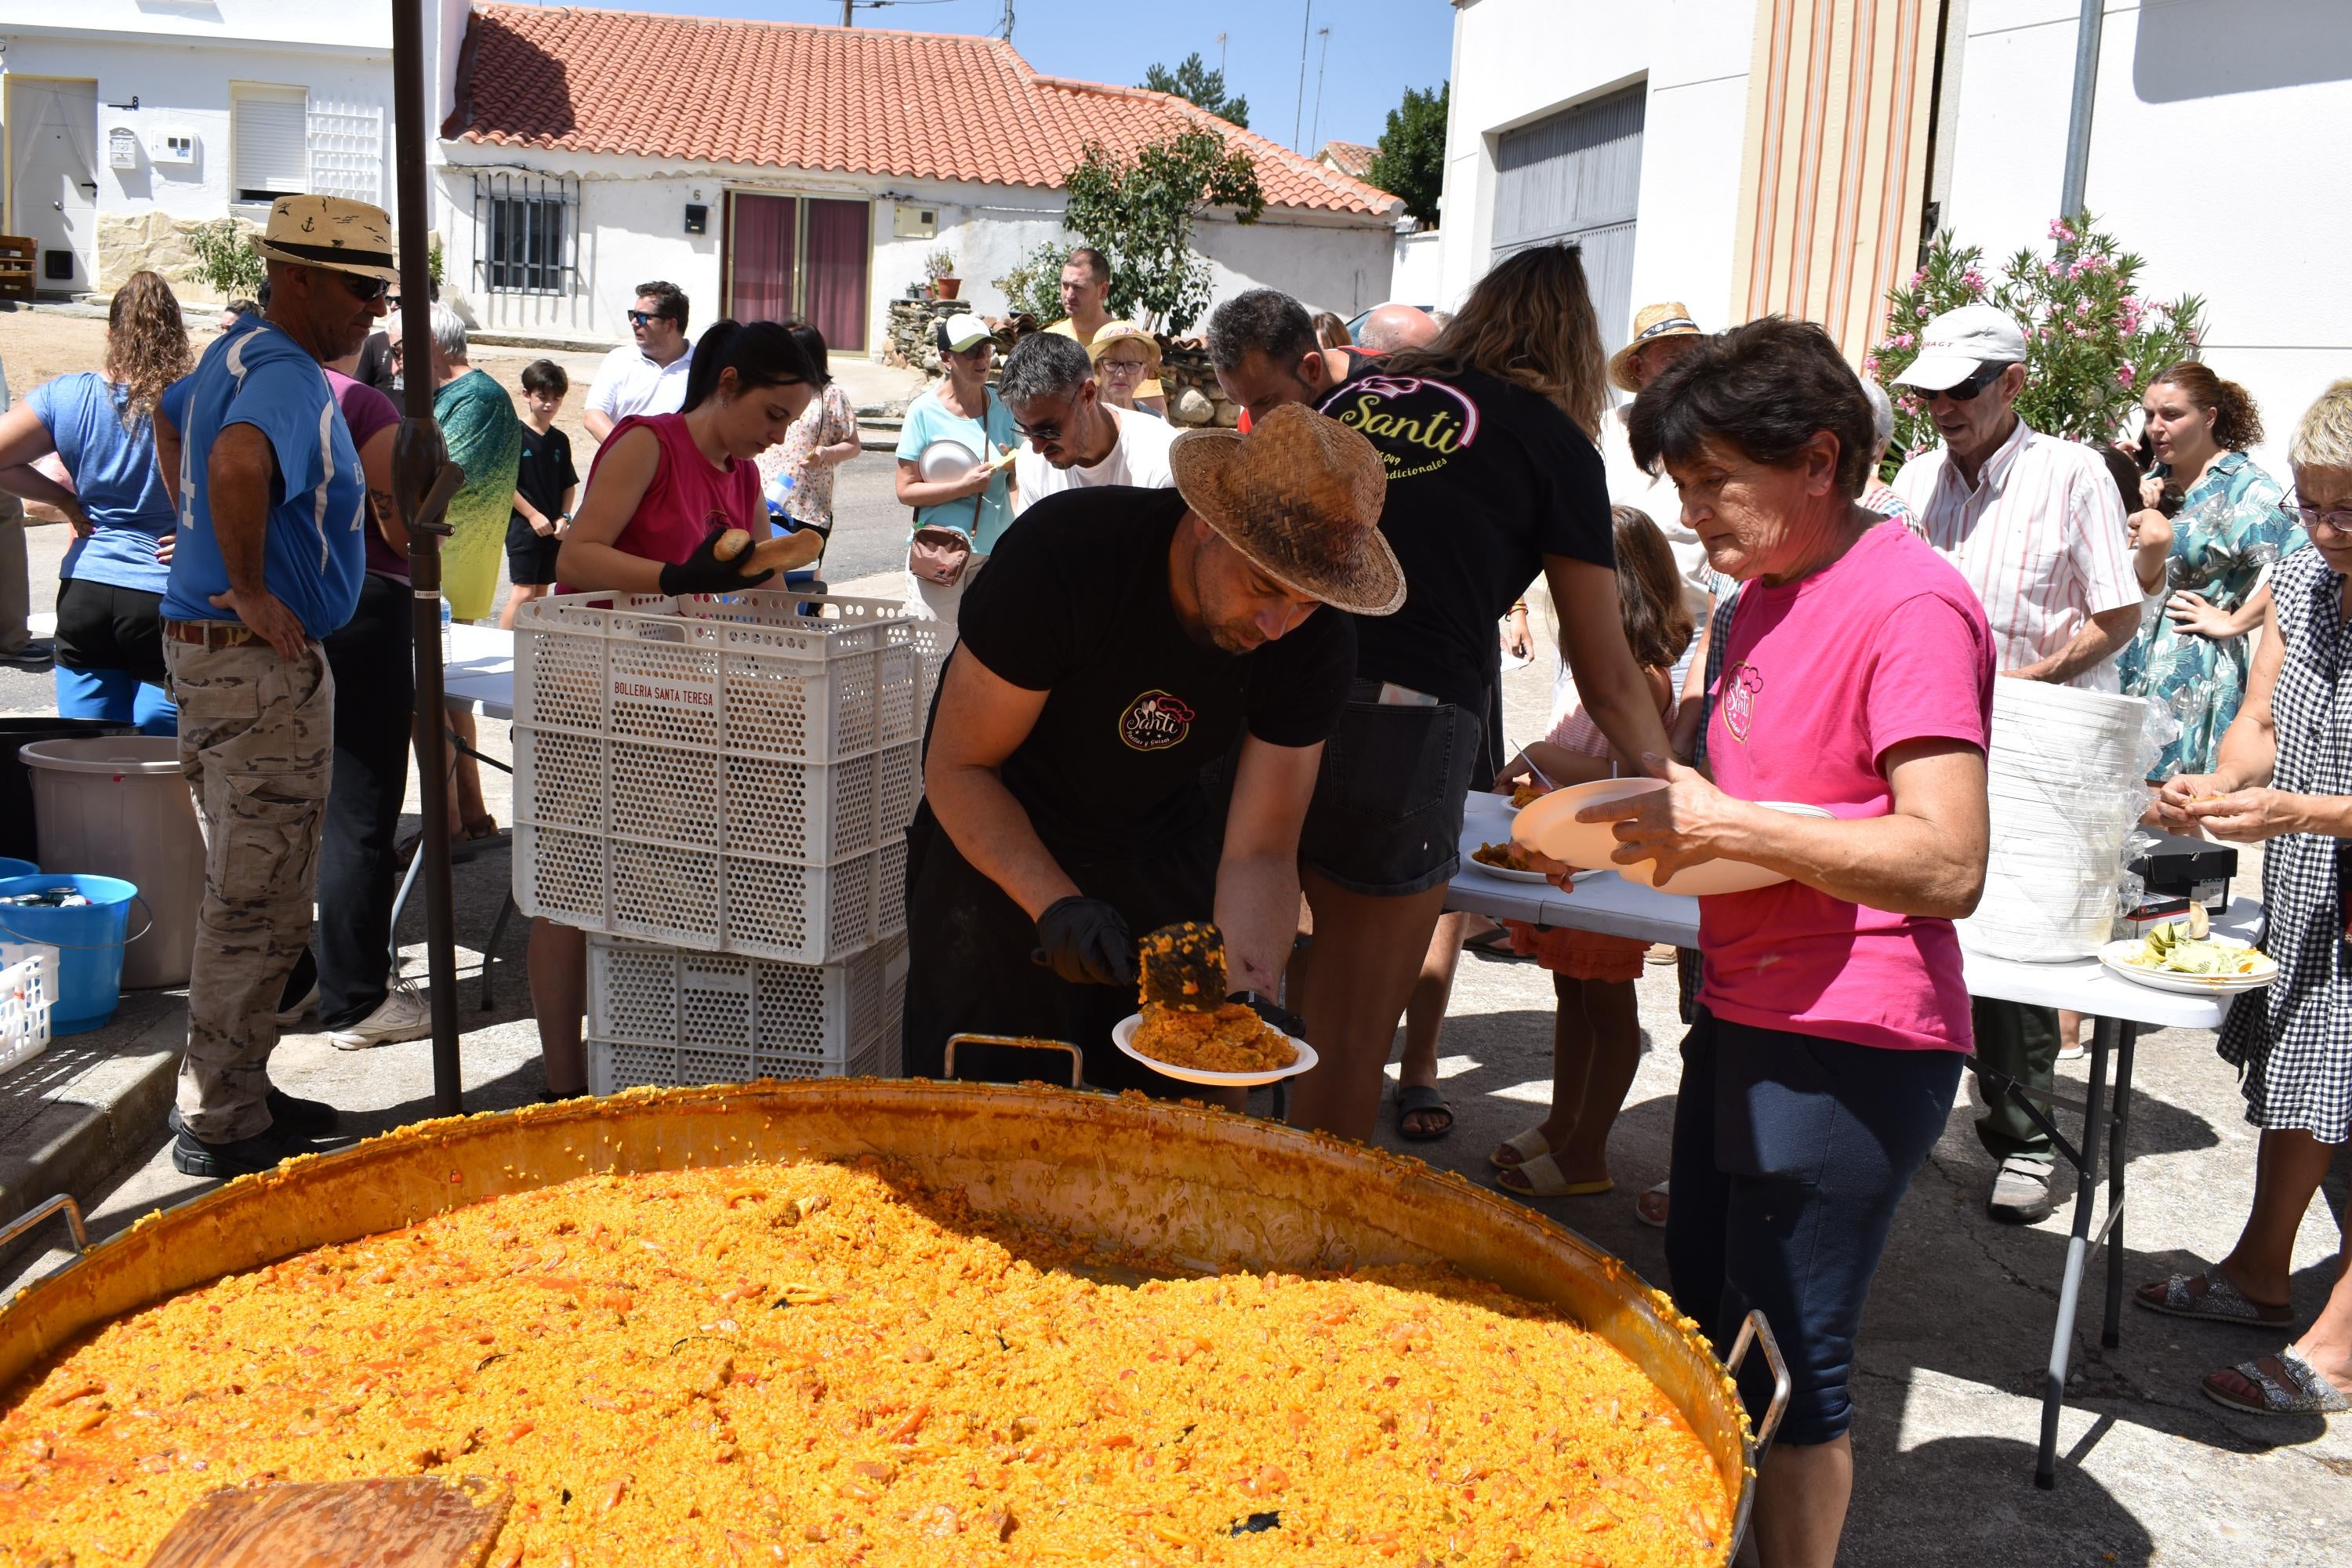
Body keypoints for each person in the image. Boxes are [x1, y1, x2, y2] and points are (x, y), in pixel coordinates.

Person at [1583, 316, 1992, 1566]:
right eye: (1682, 483)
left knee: (1790, 1366)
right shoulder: (1757, 597)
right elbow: (1763, 794)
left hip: (1855, 1032)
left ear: (1819, 460)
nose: (1692, 511)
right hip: (1747, 1004)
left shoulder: (1912, 603)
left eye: (1715, 480)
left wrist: (1729, 821)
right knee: (1712, 1327)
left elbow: (1947, 862)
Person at [1288, 243, 1672, 1142]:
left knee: (1266, 992)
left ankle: (1228, 1193)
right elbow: (1605, 665)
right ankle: (1307, 1217)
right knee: (1354, 1033)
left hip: (1278, 695)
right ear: (1575, 349)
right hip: (1409, 716)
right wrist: (1670, 780)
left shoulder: (1354, 396)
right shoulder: (1554, 442)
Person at [904, 404, 1382, 1098]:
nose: (1278, 626)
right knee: (985, 1118)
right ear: (1206, 523)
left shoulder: (1316, 639)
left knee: (1166, 1118)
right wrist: (1056, 904)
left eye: (1306, 603)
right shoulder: (1067, 556)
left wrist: (1249, 992)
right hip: (997, 854)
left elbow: (1263, 847)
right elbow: (960, 767)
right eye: (1263, 588)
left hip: (1159, 850)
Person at [147, 193, 387, 1178]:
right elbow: (237, 458)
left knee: (248, 889)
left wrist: (199, 540)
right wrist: (244, 582)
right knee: (259, 904)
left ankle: (236, 1086)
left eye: (381, 290)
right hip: (256, 670)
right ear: (297, 277)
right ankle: (221, 1118)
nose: (375, 308)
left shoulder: (234, 354)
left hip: (211, 656)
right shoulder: (283, 371)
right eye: (359, 288)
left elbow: (170, 420)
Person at [1890, 301, 2140, 1225]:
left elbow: (2118, 615)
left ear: (2013, 384)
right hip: (1928, 732)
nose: (1941, 407)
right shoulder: (1916, 478)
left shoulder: (2072, 473)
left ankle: (2027, 1133)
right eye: (1928, 392)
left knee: (2017, 940)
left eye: (1959, 390)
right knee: (1919, 921)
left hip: (2038, 743)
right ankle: (1921, 1108)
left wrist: (2017, 687)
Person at [532, 321, 822, 1098]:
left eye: (790, 422)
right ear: (727, 384)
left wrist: (805, 658)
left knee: (653, 885)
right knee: (570, 888)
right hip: (587, 690)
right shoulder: (647, 443)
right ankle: (562, 1086)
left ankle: (636, 1063)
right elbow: (576, 554)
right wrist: (676, 577)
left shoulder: (743, 476)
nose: (778, 435)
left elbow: (765, 586)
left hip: (671, 705)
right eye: (772, 414)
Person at [2138, 380, 2352, 1416]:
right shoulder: (2306, 575)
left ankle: (2339, 1349)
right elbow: (2261, 718)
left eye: (2348, 508)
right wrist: (2220, 785)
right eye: (2312, 503)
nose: (2325, 527)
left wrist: (2299, 810)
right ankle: (2263, 1270)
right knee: (2306, 1078)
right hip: (2319, 886)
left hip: (2327, 847)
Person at [1488, 506, 1692, 1197]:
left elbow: (1636, 777)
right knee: (1570, 996)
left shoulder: (1642, 675)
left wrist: (1543, 757)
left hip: (1608, 871)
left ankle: (1588, 1154)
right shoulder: (1600, 668)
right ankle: (1562, 1123)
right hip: (1570, 865)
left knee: (1607, 1009)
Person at [281, 324, 427, 1049]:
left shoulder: (232, 388)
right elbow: (397, 529)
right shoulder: (361, 404)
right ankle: (358, 1002)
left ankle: (290, 984)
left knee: (276, 809)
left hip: (276, 606)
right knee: (359, 810)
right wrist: (429, 524)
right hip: (362, 601)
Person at [0, 271, 191, 733]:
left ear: (109, 334)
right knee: (160, 758)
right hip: (164, 588)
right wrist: (196, 530)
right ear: (178, 334)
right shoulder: (197, 399)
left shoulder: (66, 395)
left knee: (87, 750)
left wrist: (66, 502)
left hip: (86, 588)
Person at [2118, 363, 2298, 779]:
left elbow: (2303, 566)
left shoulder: (2246, 488)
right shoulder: (2151, 479)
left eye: (2171, 415)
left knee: (2169, 800)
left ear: (2209, 417)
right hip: (2125, 651)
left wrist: (2233, 621)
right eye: (2149, 414)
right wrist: (2124, 487)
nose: (2156, 427)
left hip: (2188, 664)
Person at [427, 307, 524, 848]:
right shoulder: (460, 395)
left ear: (434, 344)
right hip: (447, 561)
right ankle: (471, 815)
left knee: (429, 701)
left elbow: (442, 475)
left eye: (401, 349)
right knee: (446, 699)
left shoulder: (478, 397)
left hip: (449, 565)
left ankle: (450, 826)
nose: (393, 361)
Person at [894, 315, 1018, 626]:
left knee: (987, 648)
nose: (982, 359)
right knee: (935, 649)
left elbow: (1021, 479)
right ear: (946, 358)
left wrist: (1016, 467)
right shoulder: (923, 411)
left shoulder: (1005, 408)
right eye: (971, 351)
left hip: (995, 552)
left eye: (986, 349)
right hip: (939, 552)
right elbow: (906, 490)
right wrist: (964, 487)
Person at [1004, 332, 1178, 512]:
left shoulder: (1162, 457)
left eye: (1047, 430)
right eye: (1026, 431)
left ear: (1088, 395)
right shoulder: (1032, 464)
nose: (1037, 448)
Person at [756, 322, 858, 583]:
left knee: (801, 583)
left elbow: (853, 445)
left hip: (807, 507)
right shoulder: (768, 388)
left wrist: (825, 453)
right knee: (762, 581)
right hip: (764, 500)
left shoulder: (831, 395)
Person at [502, 360, 579, 630]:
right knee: (523, 593)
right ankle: (502, 646)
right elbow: (506, 485)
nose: (549, 404)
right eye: (542, 397)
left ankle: (532, 648)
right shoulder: (514, 434)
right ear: (526, 395)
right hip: (523, 528)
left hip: (552, 530)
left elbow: (568, 484)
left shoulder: (560, 440)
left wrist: (564, 517)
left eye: (556, 399)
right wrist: (533, 515)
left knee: (541, 595)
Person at [583, 281, 694, 444]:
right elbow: (593, 416)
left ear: (670, 325)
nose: (634, 322)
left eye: (642, 317)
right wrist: (628, 452)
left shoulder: (703, 365)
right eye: (633, 315)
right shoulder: (619, 360)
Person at [1087, 321, 1167, 418]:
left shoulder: (1155, 421)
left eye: (1131, 365)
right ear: (1097, 368)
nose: (1121, 374)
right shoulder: (1081, 418)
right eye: (1112, 363)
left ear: (1145, 372)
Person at [1044, 247, 1115, 349]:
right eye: (1065, 285)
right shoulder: (1048, 342)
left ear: (1103, 290)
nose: (1069, 295)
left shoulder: (1123, 340)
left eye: (1078, 287)